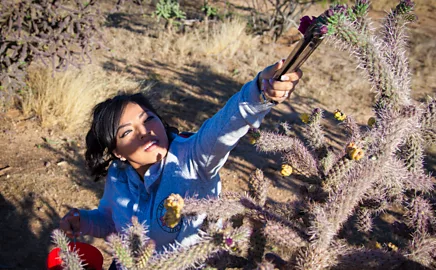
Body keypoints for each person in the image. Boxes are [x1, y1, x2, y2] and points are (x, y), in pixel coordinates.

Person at [59, 60, 302, 253]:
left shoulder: (193, 157)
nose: (145, 132)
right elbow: (113, 221)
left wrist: (259, 91)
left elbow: (224, 127)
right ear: (116, 152)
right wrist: (84, 221)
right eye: (128, 131)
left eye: (148, 119)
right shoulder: (119, 175)